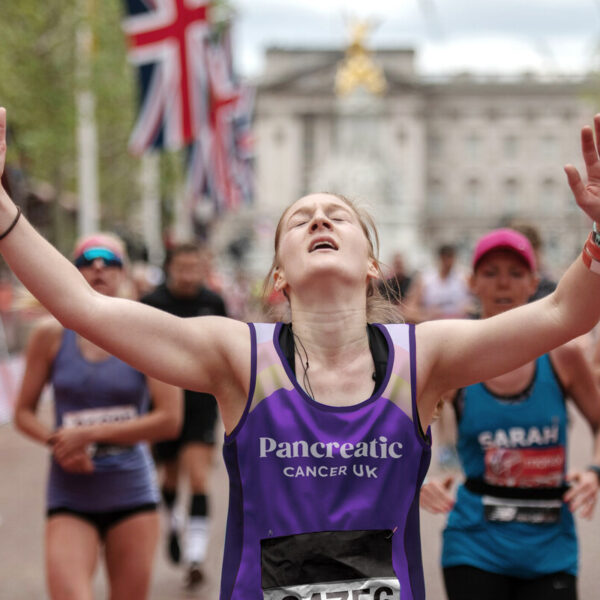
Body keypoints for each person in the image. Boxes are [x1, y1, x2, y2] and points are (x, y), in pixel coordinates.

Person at [3, 107, 600, 600]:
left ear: (371, 265)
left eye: (336, 216)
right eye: (300, 221)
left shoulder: (424, 356)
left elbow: (562, 312)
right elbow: (86, 308)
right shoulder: (239, 356)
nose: (319, 218)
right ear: (280, 276)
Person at [419, 227, 600, 599]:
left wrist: (595, 471)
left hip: (551, 548)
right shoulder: (452, 357)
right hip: (474, 545)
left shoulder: (563, 355)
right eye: (491, 272)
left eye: (515, 273)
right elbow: (399, 435)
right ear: (472, 282)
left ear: (534, 282)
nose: (503, 283)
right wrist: (424, 479)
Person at [12, 232, 182, 600]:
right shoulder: (49, 336)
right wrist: (57, 443)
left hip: (132, 491)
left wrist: (90, 435)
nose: (99, 267)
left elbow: (170, 419)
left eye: (110, 260)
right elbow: (22, 413)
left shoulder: (147, 330)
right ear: (71, 271)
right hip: (71, 492)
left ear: (124, 272)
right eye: (87, 260)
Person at [140, 242, 227, 588]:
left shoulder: (213, 302)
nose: (189, 275)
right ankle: (174, 524)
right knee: (171, 478)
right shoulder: (151, 304)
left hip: (201, 403)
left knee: (199, 479)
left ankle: (195, 555)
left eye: (195, 267)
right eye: (182, 268)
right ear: (170, 269)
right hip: (162, 405)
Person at [403, 243, 472, 323]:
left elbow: (476, 306)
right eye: (446, 257)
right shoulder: (425, 278)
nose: (449, 261)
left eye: (451, 257)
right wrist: (427, 315)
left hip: (459, 326)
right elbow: (409, 310)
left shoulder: (464, 277)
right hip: (434, 326)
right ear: (440, 258)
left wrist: (467, 309)